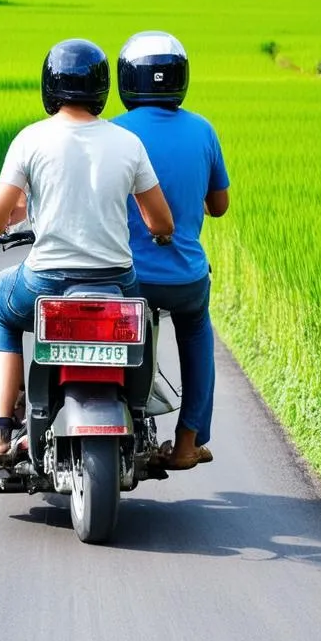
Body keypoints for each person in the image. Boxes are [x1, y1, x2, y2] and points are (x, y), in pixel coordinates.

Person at [0, 38, 174, 467]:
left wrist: (15, 216)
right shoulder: (128, 144)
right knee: (144, 312)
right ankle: (139, 408)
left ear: (49, 87)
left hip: (45, 282)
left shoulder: (30, 139)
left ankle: (1, 431)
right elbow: (161, 223)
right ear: (102, 89)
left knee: (2, 304)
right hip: (115, 280)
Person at [113, 31, 230, 471]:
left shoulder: (114, 132)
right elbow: (218, 207)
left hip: (125, 278)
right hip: (185, 279)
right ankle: (187, 442)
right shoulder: (203, 130)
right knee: (197, 331)